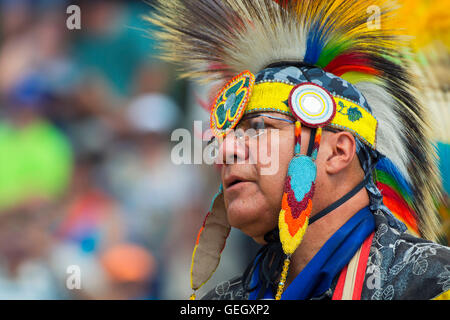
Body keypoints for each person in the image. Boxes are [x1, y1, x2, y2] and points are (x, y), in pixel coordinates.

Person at [149, 0, 450, 300]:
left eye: (259, 128)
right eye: (229, 135)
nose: (227, 149)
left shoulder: (433, 283)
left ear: (338, 152)